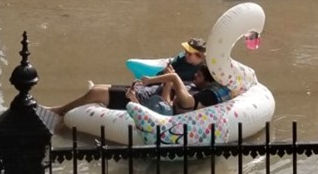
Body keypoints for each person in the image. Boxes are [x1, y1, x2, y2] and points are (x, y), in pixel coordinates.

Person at [43, 38, 206, 119]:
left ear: (200, 57)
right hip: (144, 91)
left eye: (190, 53)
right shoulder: (183, 63)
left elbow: (168, 104)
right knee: (99, 88)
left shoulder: (193, 79)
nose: (186, 55)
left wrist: (167, 80)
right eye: (185, 52)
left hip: (145, 99)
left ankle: (59, 111)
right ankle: (62, 110)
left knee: (95, 91)